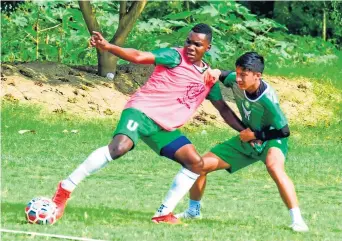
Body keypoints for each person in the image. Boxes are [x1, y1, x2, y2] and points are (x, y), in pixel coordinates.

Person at [51, 23, 246, 224]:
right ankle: (65, 189)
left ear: (208, 48)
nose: (190, 47)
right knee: (119, 148)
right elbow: (138, 56)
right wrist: (108, 47)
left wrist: (246, 131)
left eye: (197, 44)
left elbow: (223, 109)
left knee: (195, 163)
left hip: (164, 128)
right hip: (142, 112)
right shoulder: (174, 56)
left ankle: (163, 214)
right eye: (188, 41)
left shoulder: (208, 78)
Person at [176, 52, 309, 232]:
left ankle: (298, 220)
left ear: (257, 76)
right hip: (246, 138)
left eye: (243, 75)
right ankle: (193, 211)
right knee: (199, 165)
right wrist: (215, 72)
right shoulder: (237, 80)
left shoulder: (268, 99)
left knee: (273, 166)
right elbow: (224, 74)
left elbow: (284, 131)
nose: (238, 78)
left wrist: (255, 135)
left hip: (271, 138)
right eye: (237, 73)